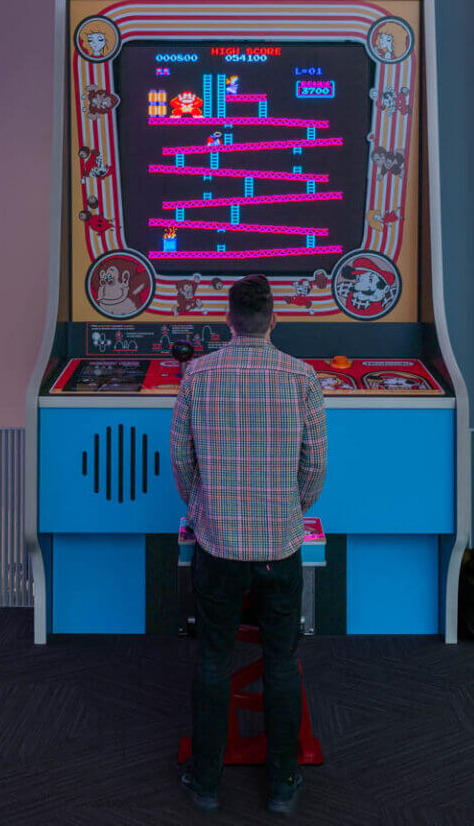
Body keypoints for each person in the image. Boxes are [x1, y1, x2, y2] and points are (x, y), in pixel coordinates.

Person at [170, 274, 327, 815]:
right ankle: (283, 784)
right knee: (281, 661)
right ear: (274, 319)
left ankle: (206, 782)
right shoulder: (302, 377)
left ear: (229, 319)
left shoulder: (198, 374)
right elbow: (315, 468)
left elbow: (182, 462)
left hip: (217, 546)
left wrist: (202, 510)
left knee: (212, 659)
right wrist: (291, 512)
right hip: (280, 548)